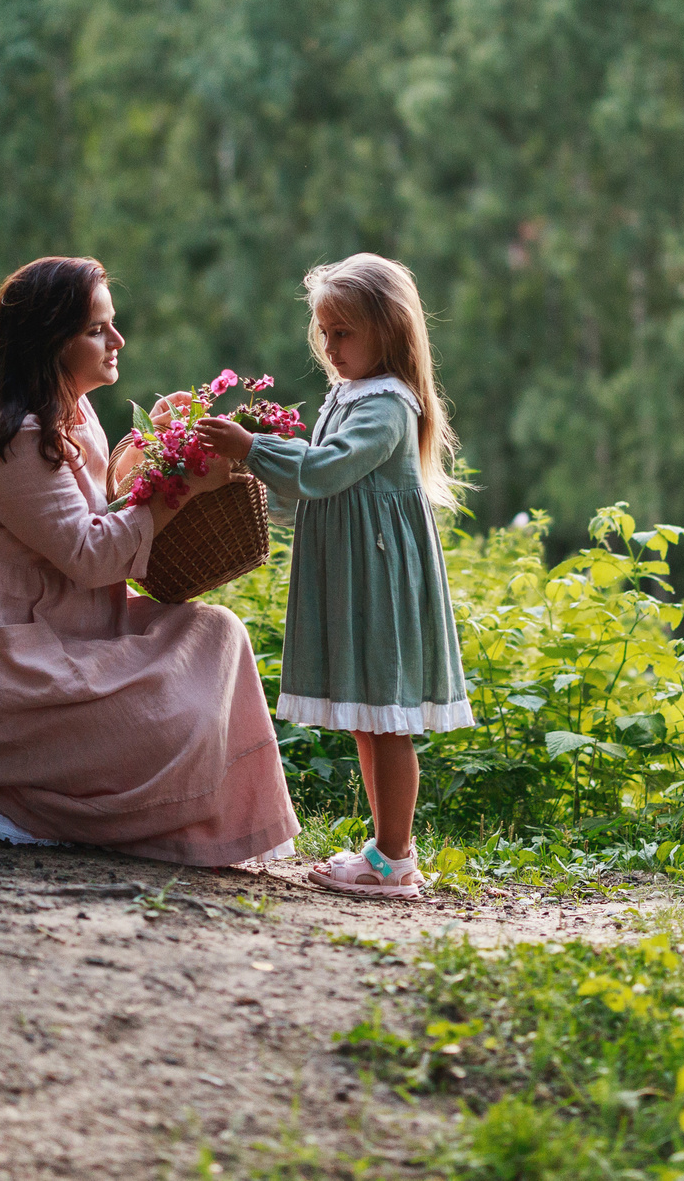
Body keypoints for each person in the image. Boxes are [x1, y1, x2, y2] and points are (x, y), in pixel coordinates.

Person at [0, 257, 299, 867]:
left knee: (217, 633)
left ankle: (197, 817)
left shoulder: (73, 409)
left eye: (110, 325)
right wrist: (182, 486)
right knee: (166, 715)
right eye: (96, 330)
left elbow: (95, 504)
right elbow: (91, 554)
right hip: (5, 657)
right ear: (50, 341)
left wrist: (154, 449)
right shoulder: (16, 434)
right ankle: (15, 791)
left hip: (66, 623)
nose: (117, 340)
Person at [195, 253, 470, 897]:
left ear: (390, 331)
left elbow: (323, 471)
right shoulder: (349, 394)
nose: (330, 346)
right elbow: (315, 486)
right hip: (355, 571)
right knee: (367, 713)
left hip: (380, 577)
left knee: (389, 716)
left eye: (343, 332)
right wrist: (246, 470)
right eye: (324, 332)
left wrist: (252, 448)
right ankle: (384, 849)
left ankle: (395, 857)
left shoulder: (389, 406)